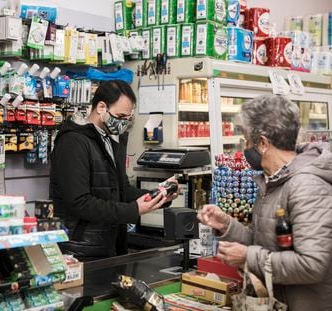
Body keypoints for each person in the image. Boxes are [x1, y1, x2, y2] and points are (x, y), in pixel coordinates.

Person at [198, 95, 332, 311]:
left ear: (262, 143)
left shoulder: (306, 186)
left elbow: (312, 265)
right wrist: (227, 226)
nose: (245, 148)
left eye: (246, 141)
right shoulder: (274, 181)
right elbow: (267, 244)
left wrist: (248, 257)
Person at [50, 80, 179, 261]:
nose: (123, 123)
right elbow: (79, 202)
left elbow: (121, 190)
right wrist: (133, 210)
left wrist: (159, 195)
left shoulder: (109, 140)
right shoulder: (72, 142)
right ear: (101, 107)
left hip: (108, 246)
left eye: (128, 118)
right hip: (79, 250)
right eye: (120, 116)